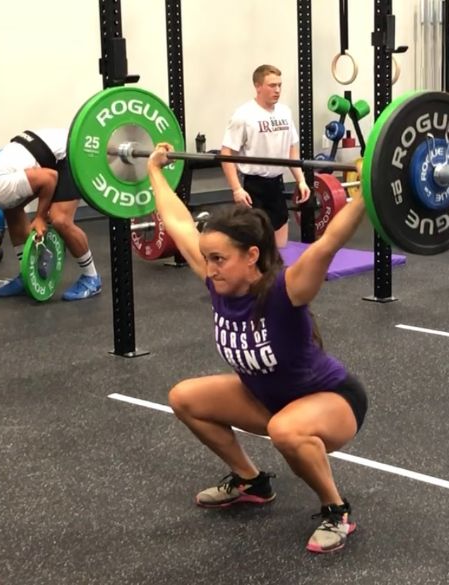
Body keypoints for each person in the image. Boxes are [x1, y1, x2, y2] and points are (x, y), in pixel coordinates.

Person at [146, 142, 368, 554]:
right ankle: (251, 481)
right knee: (184, 398)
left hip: (332, 401)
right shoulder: (219, 283)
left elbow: (328, 243)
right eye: (207, 258)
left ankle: (336, 510)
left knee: (287, 430)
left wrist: (368, 189)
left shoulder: (286, 289)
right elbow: (177, 223)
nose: (209, 269)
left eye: (218, 259)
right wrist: (155, 171)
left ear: (251, 256)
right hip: (267, 399)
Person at [0, 129, 102, 301]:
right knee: (11, 209)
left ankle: (92, 278)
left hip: (67, 154)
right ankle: (26, 274)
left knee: (60, 220)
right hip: (42, 153)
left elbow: (49, 178)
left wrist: (41, 217)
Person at [221, 64, 311, 248]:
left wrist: (300, 180)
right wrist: (237, 189)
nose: (277, 90)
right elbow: (226, 152)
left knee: (280, 246)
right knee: (256, 247)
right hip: (254, 187)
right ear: (258, 86)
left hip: (276, 185)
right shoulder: (244, 115)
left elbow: (291, 150)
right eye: (272, 85)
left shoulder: (285, 112)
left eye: (279, 85)